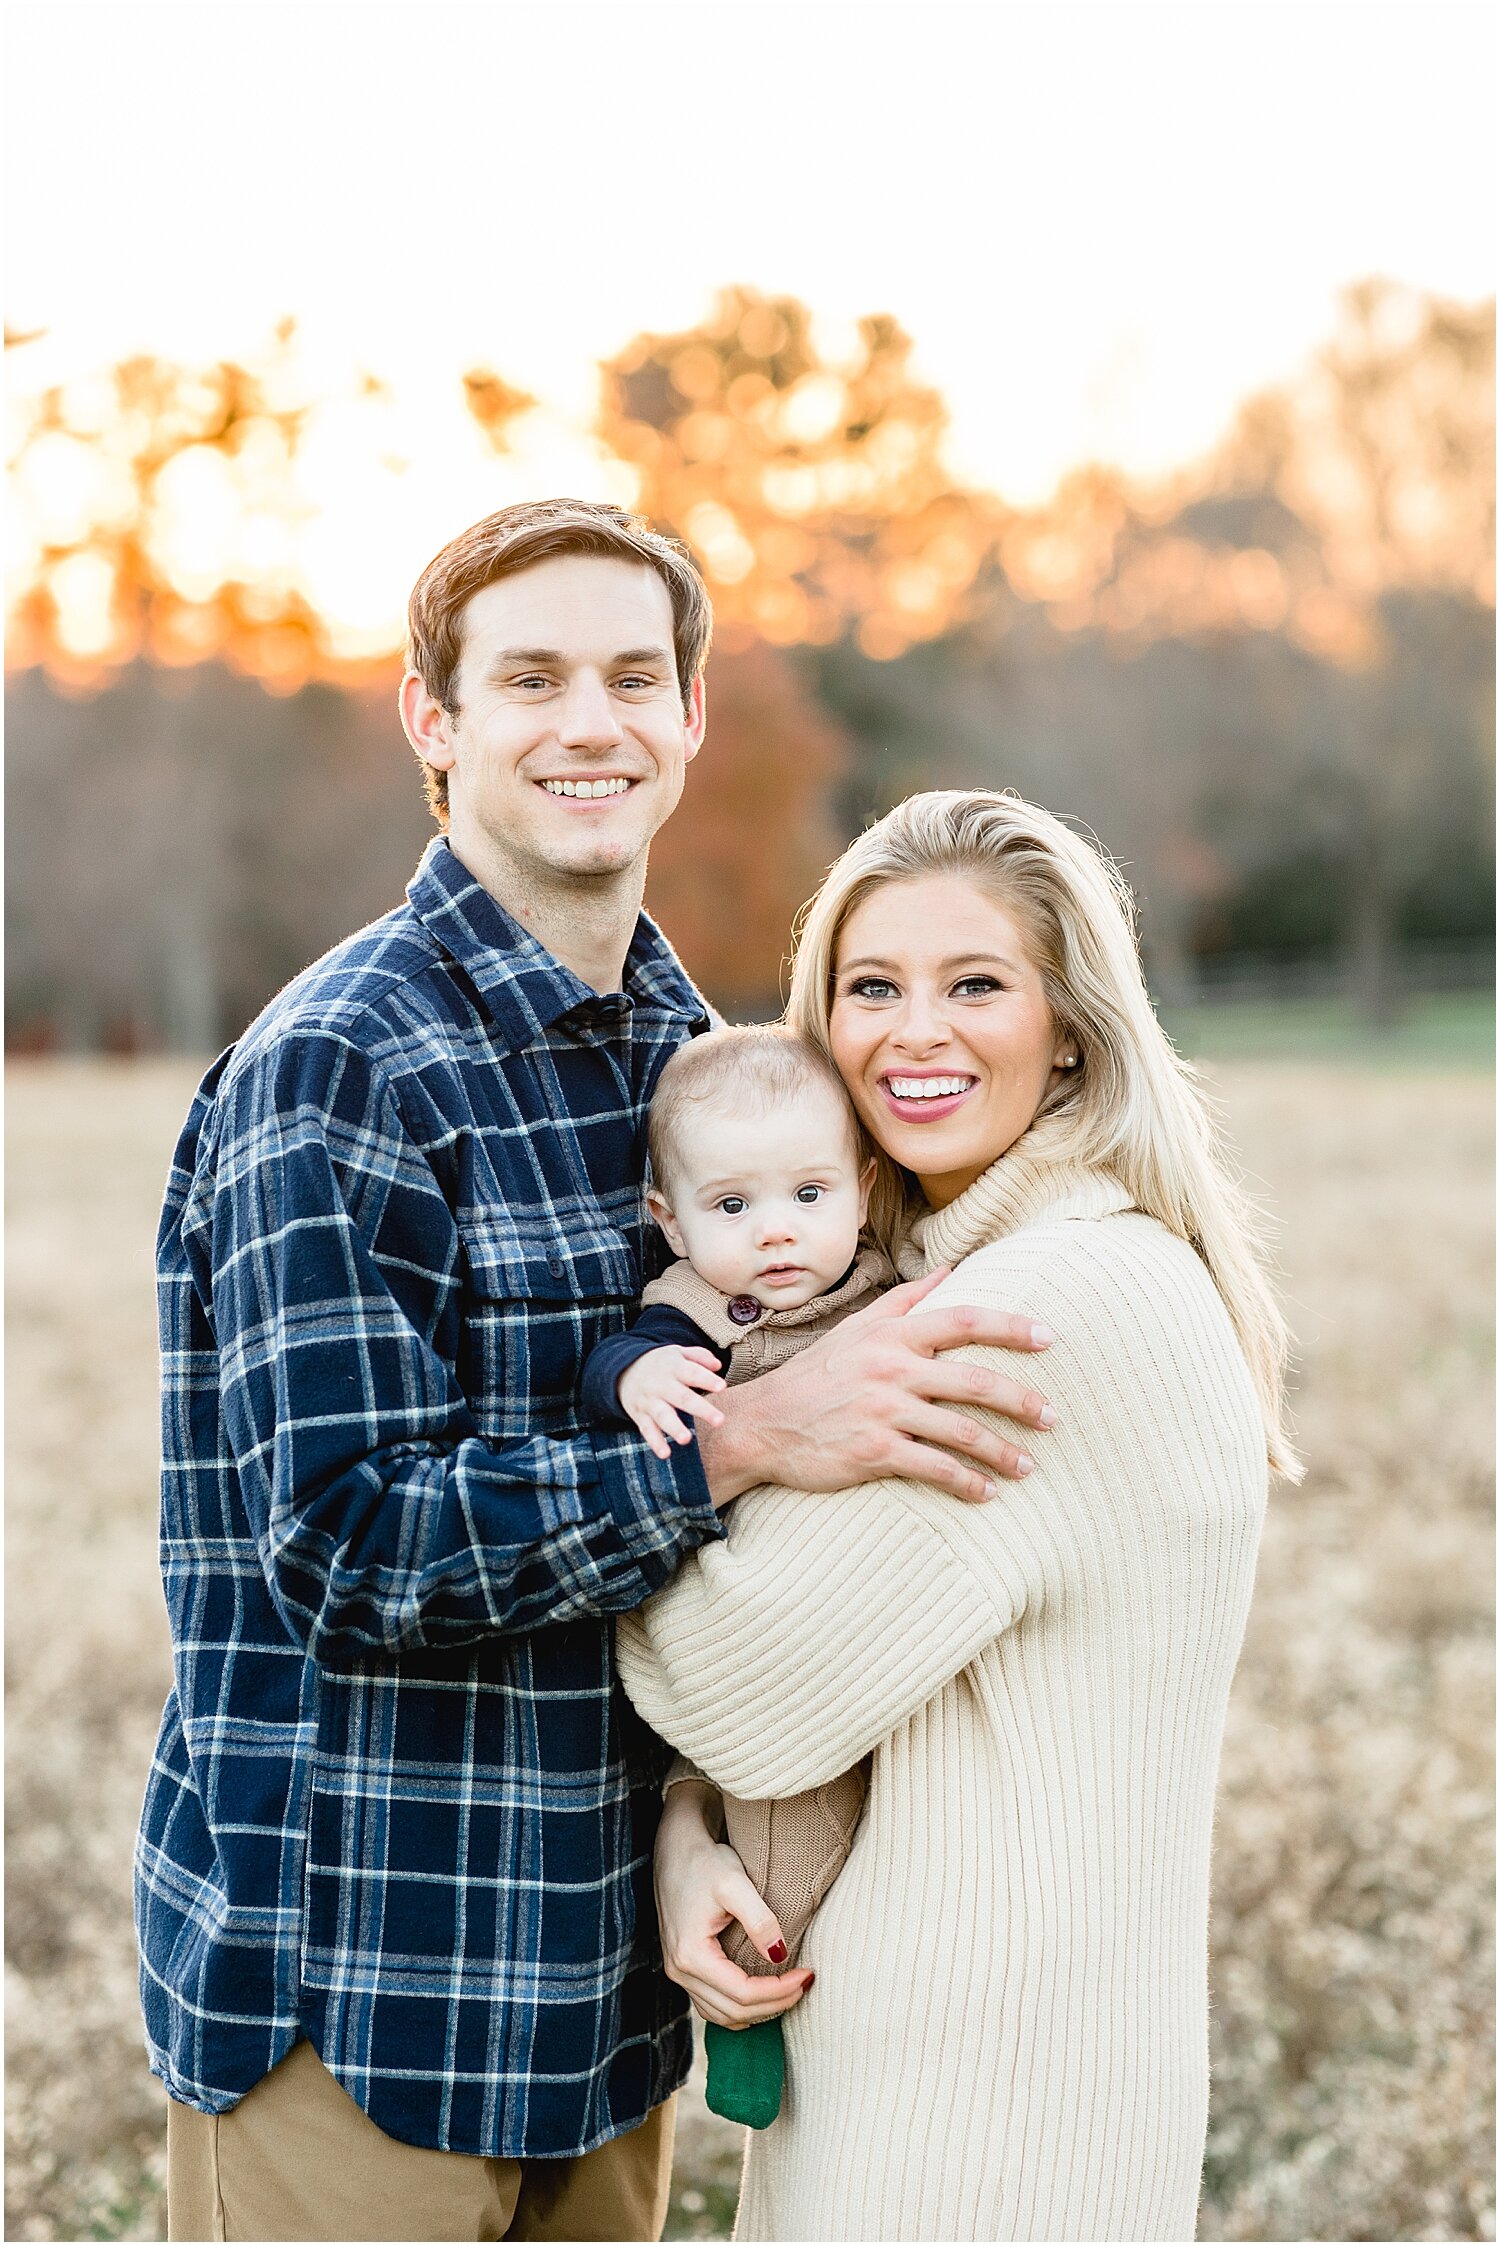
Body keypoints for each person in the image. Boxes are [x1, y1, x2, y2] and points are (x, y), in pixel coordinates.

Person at [133, 503, 1058, 2245]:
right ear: (436, 718)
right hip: (366, 1995)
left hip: (607, 1993)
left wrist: (696, 1827)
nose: (592, 723)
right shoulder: (341, 1069)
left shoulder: (698, 1064)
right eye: (531, 677)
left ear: (692, 716)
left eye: (637, 676)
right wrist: (739, 1443)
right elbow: (347, 1543)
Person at [620, 788, 1302, 2242]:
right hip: (944, 2086)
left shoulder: (1042, 1305)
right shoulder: (986, 1269)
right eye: (871, 987)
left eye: (975, 984)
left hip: (977, 2129)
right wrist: (688, 1841)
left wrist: (709, 1448)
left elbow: (739, 1689)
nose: (912, 1033)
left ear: (1070, 1026)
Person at [581, 1024, 890, 2126]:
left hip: (866, 1613)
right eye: (732, 1208)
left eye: (809, 1194)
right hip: (743, 1625)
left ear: (861, 1184)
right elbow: (616, 1367)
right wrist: (635, 1374)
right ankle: (750, 2029)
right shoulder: (689, 1313)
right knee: (770, 1841)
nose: (777, 1236)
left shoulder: (883, 1279)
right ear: (668, 1217)